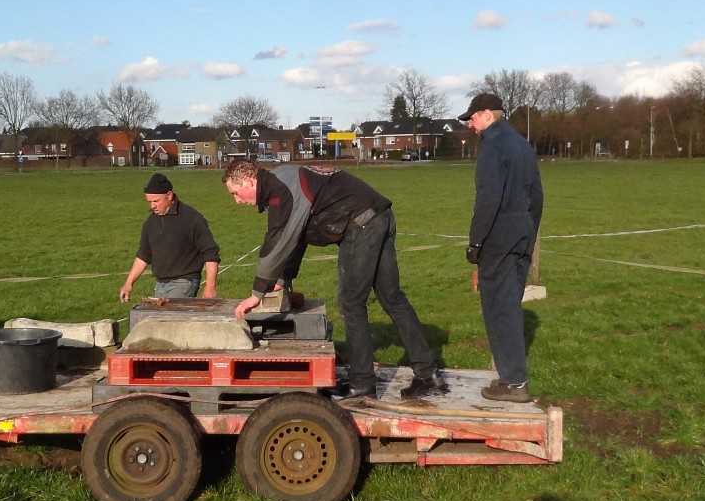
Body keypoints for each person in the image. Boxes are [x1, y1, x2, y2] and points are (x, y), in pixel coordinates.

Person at [222, 160, 443, 399]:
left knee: (351, 303)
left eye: (236, 193)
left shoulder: (280, 190)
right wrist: (283, 279)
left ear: (249, 181)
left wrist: (257, 293)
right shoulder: (283, 180)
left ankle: (362, 383)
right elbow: (297, 237)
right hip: (380, 215)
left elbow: (277, 240)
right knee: (392, 298)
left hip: (362, 224)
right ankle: (428, 374)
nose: (237, 201)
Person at [460, 93, 544, 403]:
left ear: (487, 114)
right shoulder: (522, 144)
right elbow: (537, 196)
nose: (470, 124)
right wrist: (529, 234)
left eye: (472, 118)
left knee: (498, 309)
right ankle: (512, 377)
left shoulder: (492, 145)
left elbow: (487, 198)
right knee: (510, 306)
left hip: (498, 240)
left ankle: (514, 382)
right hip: (522, 237)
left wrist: (476, 242)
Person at [119, 173, 220, 302]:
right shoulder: (150, 222)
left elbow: (210, 253)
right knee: (158, 314)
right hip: (160, 283)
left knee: (169, 314)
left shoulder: (192, 218)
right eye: (150, 202)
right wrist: (128, 283)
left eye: (156, 201)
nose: (152, 206)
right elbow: (144, 255)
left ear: (169, 195)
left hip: (184, 282)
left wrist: (210, 286)